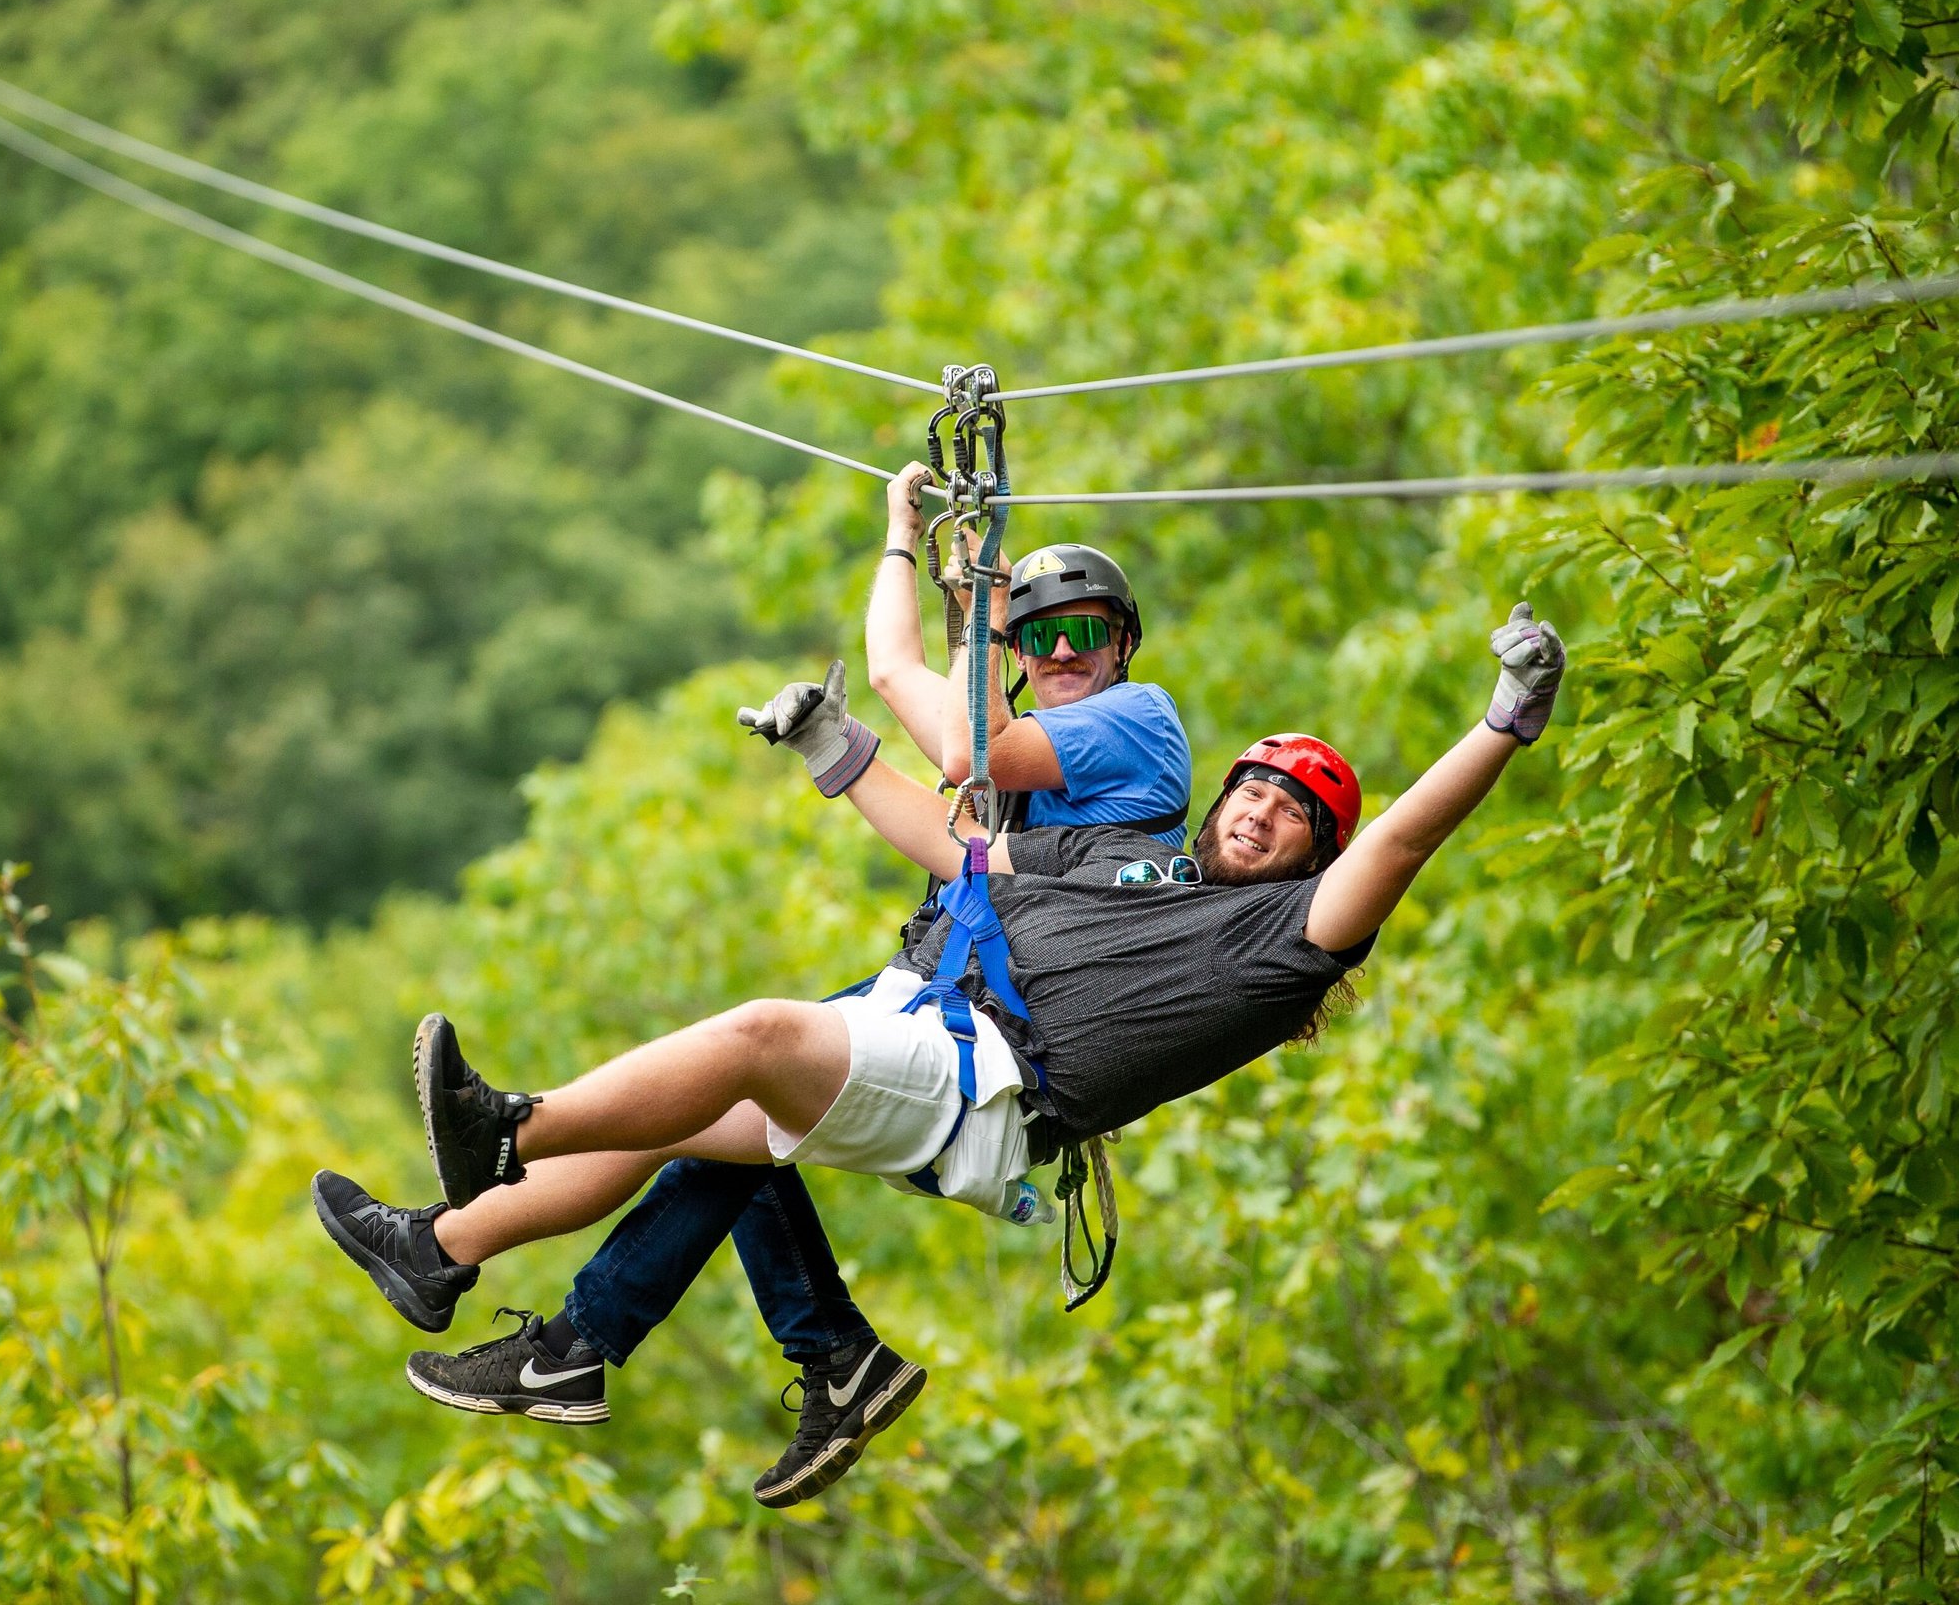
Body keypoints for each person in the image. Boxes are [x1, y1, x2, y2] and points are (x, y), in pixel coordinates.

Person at [337, 603, 1566, 1457]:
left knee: (760, 1036)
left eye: (1292, 813)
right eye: (1251, 789)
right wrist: (835, 745)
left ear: (1314, 856)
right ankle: (447, 1249)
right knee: (709, 1128)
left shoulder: (1285, 944)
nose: (1258, 813)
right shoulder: (1127, 861)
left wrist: (1504, 722)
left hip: (991, 1086)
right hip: (930, 1027)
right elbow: (961, 845)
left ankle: (509, 1128)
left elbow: (1402, 837)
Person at [315, 462, 1196, 1505]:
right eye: (1040, 641)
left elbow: (959, 740)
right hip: (945, 1015)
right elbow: (896, 674)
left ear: (1122, 644)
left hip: (993, 1056)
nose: (1060, 656)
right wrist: (904, 539)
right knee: (699, 1114)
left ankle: (506, 1151)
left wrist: (981, 607)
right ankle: (478, 1273)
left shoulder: (1137, 721)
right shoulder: (1027, 776)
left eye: (1082, 635)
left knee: (732, 1072)